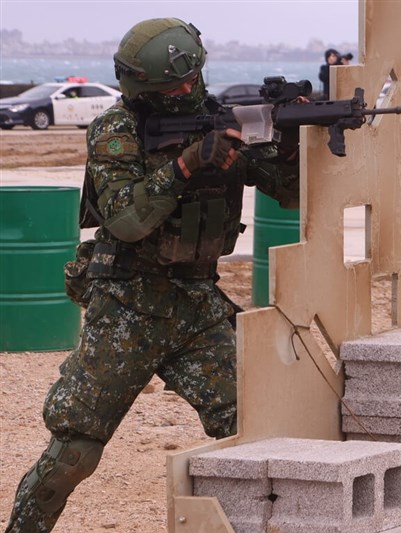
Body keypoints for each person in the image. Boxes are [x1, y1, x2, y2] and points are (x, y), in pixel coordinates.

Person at [4, 18, 300, 532]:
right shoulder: (116, 130)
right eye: (172, 88)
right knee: (75, 450)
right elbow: (125, 219)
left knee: (260, 424)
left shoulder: (224, 122)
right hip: (127, 305)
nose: (185, 93)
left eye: (190, 82)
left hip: (198, 304)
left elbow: (290, 192)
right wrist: (186, 166)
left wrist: (291, 142)